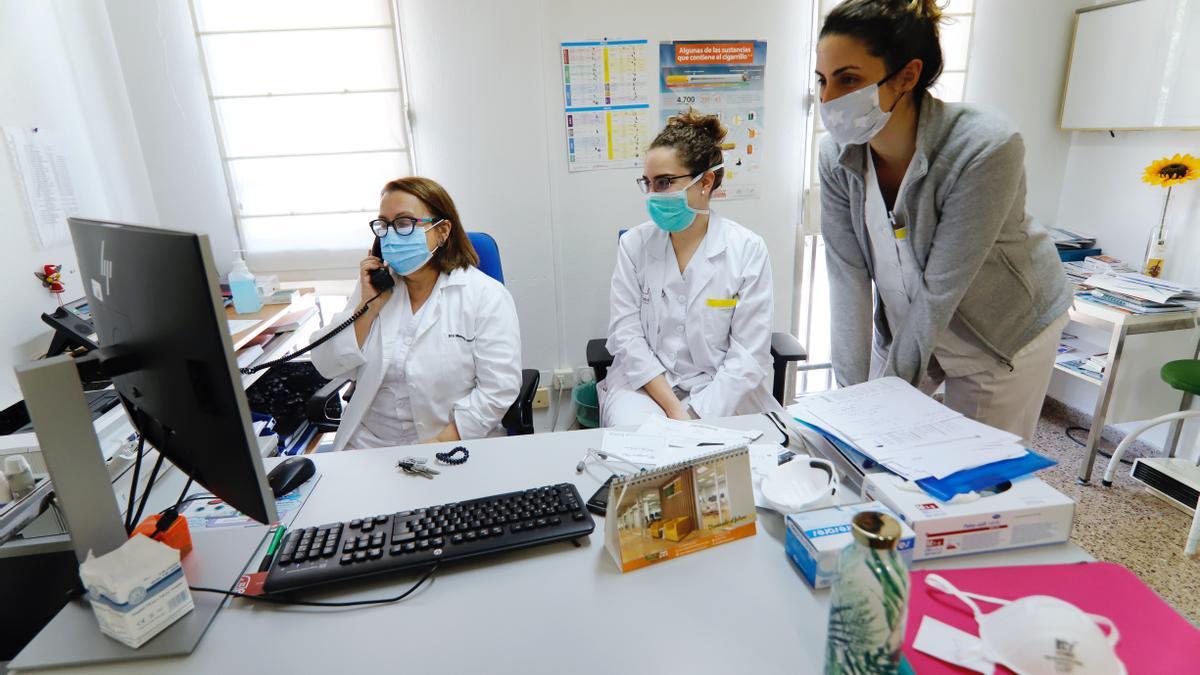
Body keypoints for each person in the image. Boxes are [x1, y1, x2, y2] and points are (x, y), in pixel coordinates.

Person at [816, 0, 1071, 446]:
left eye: (848, 79)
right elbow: (847, 277)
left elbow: (941, 290)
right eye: (822, 80)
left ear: (907, 76)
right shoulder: (836, 156)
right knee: (868, 442)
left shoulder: (984, 146)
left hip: (998, 333)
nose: (827, 99)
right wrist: (852, 401)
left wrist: (882, 402)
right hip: (907, 323)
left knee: (975, 476)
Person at [310, 177, 522, 451]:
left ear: (443, 230)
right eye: (383, 225)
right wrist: (368, 308)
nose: (391, 235)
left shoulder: (485, 296)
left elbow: (498, 389)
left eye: (404, 223)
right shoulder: (374, 289)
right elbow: (326, 365)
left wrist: (435, 446)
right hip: (367, 447)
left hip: (449, 445)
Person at [599, 111, 779, 427]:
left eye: (665, 182)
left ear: (705, 182)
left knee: (736, 464)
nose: (653, 194)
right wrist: (674, 409)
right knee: (643, 454)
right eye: (649, 183)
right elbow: (625, 336)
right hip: (646, 388)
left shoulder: (746, 250)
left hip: (723, 390)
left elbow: (748, 355)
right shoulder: (634, 245)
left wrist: (698, 414)